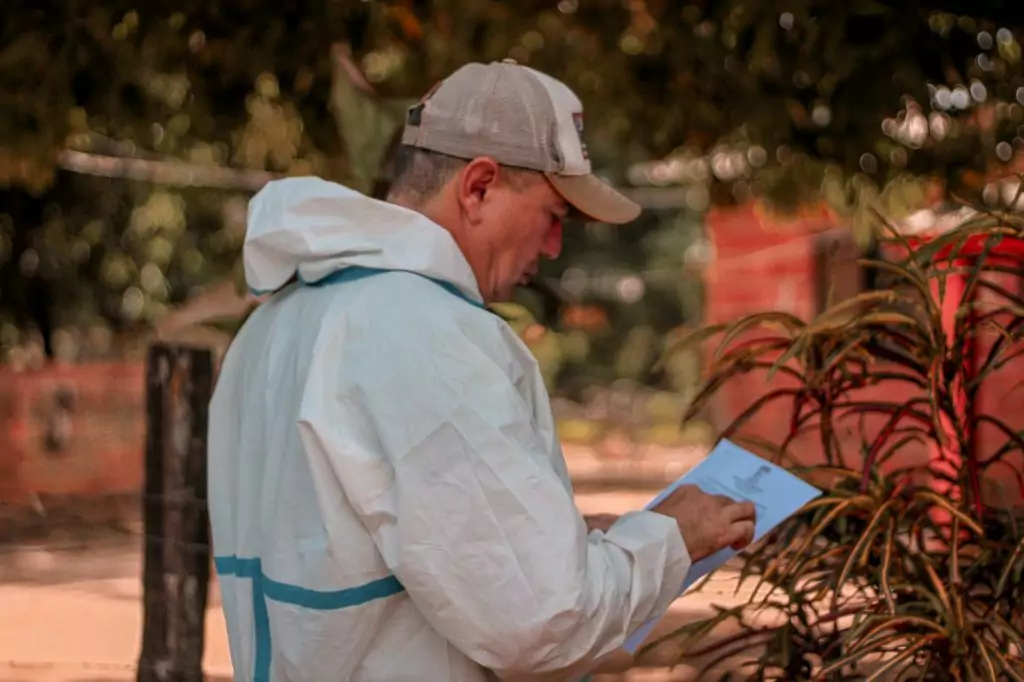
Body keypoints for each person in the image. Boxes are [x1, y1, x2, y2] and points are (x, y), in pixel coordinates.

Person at [208, 59, 757, 682]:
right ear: (479, 187)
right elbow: (542, 621)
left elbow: (367, 544)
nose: (553, 247)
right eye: (553, 215)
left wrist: (572, 540)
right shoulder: (422, 332)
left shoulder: (277, 324)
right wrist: (673, 539)